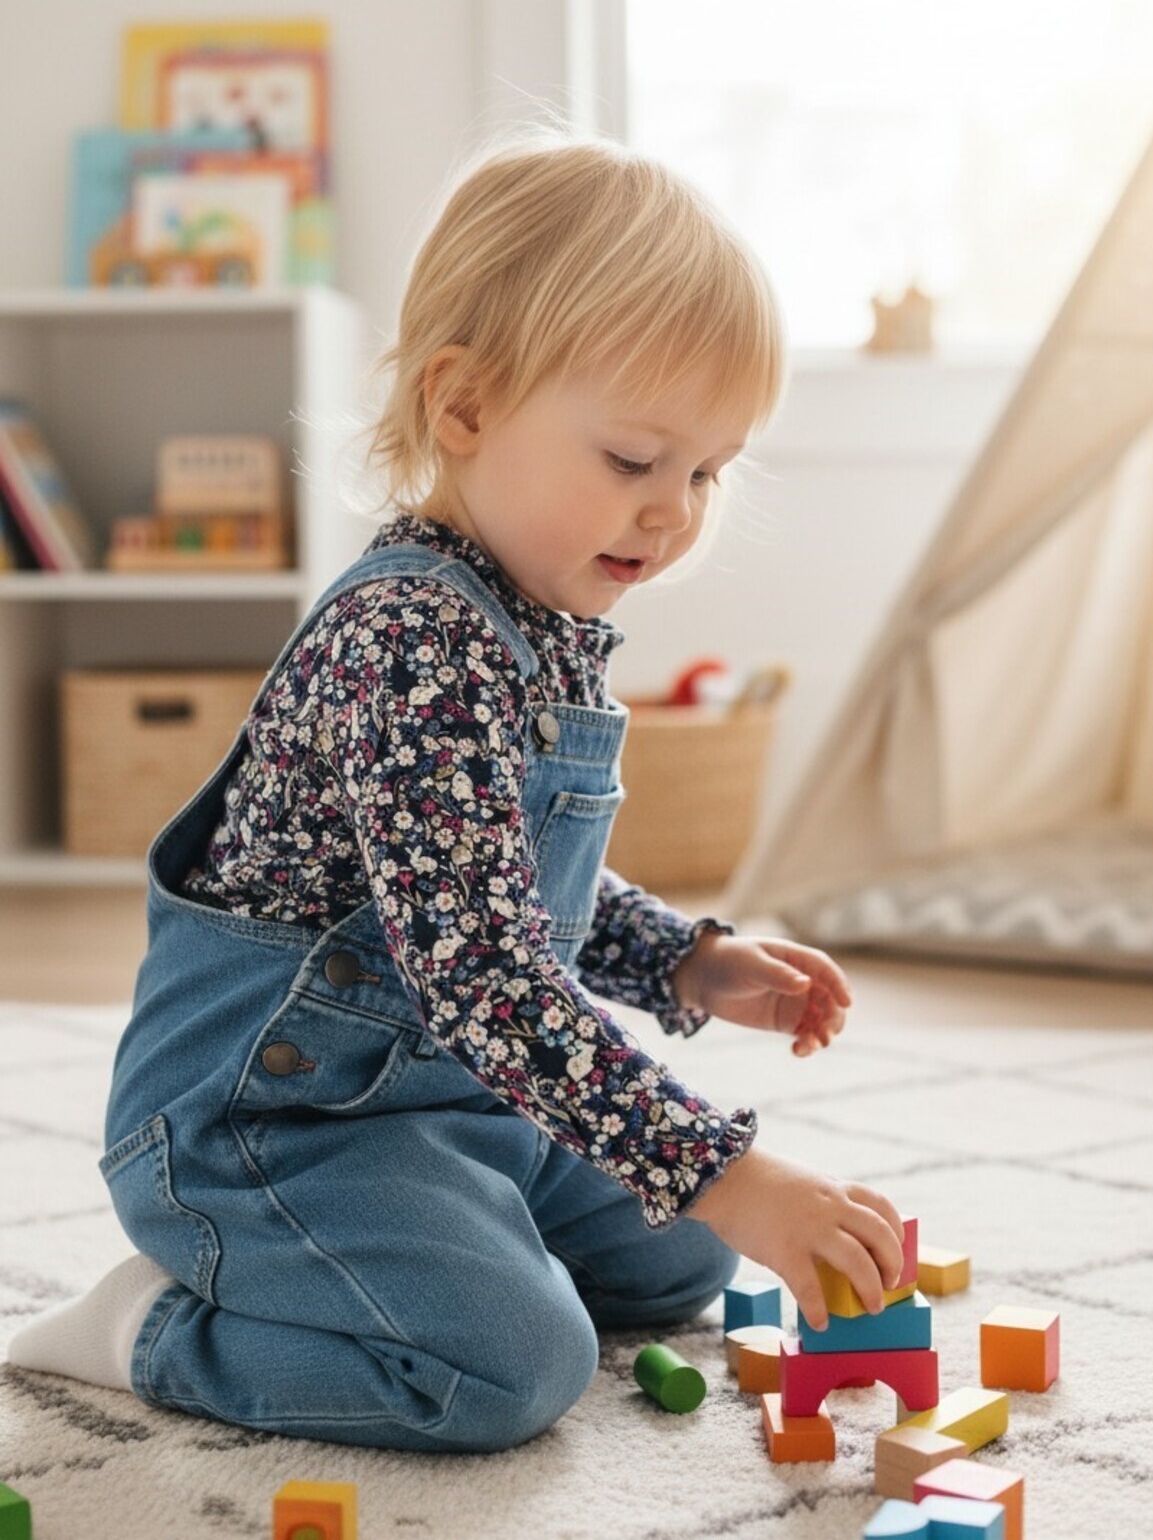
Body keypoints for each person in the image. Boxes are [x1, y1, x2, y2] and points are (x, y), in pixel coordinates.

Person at [8, 134, 904, 1451]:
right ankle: (154, 1325)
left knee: (678, 1267)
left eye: (706, 473)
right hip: (264, 1127)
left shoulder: (545, 619)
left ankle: (455, 1223)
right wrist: (724, 1166)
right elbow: (486, 971)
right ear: (466, 408)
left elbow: (521, 884)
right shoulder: (414, 638)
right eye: (634, 458)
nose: (672, 516)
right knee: (506, 1368)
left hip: (441, 1099)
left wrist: (687, 963)